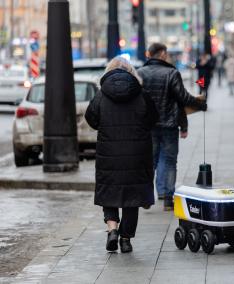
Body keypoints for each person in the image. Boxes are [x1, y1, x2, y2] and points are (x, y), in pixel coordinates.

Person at [85, 56, 158, 253]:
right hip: (137, 155)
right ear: (132, 72)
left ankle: (112, 230)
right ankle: (125, 239)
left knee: (109, 192)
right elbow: (153, 118)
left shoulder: (101, 95)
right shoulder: (142, 95)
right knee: (131, 198)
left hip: (109, 153)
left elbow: (90, 118)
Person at [137, 42, 207, 211]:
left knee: (149, 162)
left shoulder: (140, 73)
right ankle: (168, 200)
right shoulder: (171, 73)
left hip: (148, 126)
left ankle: (146, 198)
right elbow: (182, 98)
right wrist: (199, 103)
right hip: (169, 125)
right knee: (169, 162)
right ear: (162, 54)